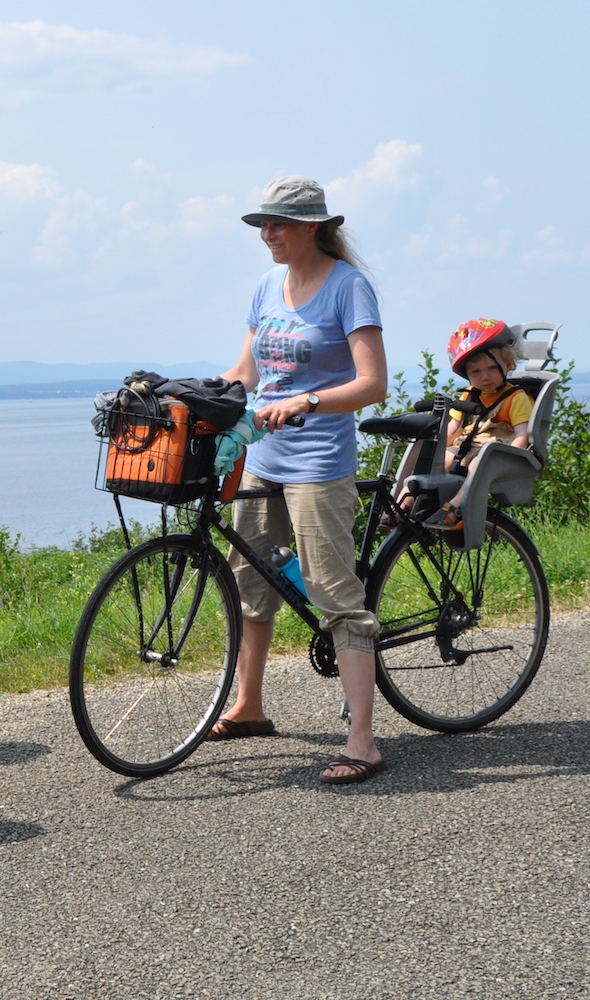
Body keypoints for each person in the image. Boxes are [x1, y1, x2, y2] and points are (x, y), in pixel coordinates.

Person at [214, 176, 390, 784]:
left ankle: (363, 740)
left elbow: (373, 385)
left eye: (280, 224)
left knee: (335, 596)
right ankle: (249, 706)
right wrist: (209, 393)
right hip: (263, 457)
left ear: (314, 226)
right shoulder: (267, 285)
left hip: (319, 461)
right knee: (249, 584)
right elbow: (247, 367)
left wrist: (309, 401)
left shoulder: (348, 287)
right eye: (263, 224)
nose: (268, 235)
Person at [424, 319, 532, 531]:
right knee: (436, 461)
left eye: (492, 368)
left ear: (508, 364)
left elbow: (522, 434)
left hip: (495, 450)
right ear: (467, 375)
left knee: (477, 465)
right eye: (476, 372)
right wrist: (435, 446)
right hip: (467, 447)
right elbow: (454, 428)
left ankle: (457, 505)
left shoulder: (516, 398)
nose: (485, 377)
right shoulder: (468, 396)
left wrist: (509, 454)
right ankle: (407, 503)